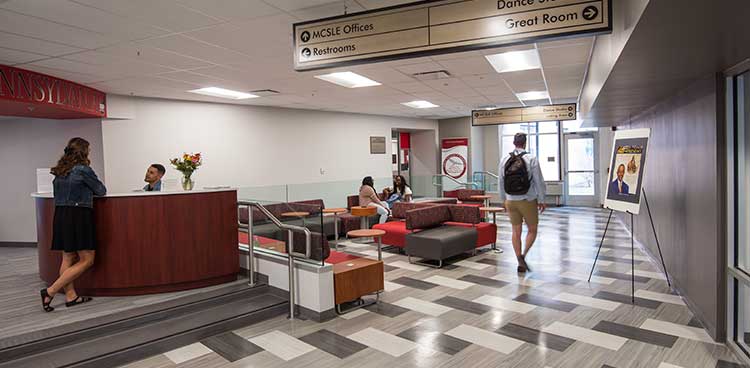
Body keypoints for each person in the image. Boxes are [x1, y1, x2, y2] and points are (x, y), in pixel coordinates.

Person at [40, 137, 107, 312]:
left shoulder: (60, 171)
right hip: (78, 215)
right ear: (83, 152)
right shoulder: (83, 170)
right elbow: (101, 190)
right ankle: (50, 291)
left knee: (68, 257)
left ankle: (71, 296)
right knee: (87, 259)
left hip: (61, 215)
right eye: (88, 150)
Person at [498, 133, 546, 273]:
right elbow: (539, 181)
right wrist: (542, 200)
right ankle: (523, 255)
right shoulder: (531, 158)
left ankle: (519, 258)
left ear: (514, 143)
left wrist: (503, 200)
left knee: (515, 231)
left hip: (510, 200)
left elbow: (501, 181)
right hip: (527, 199)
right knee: (532, 229)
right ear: (525, 143)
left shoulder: (504, 159)